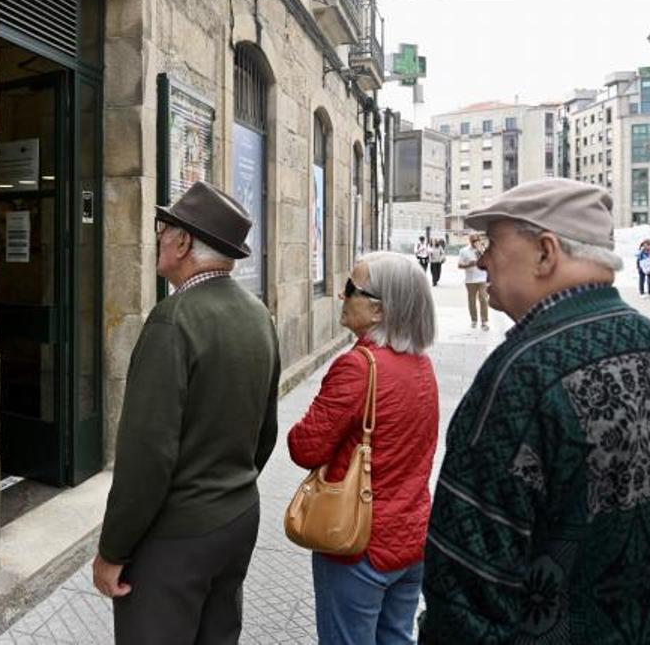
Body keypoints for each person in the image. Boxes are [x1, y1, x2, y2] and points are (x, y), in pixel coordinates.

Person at [421, 178, 650, 644]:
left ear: (545, 252)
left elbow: (464, 593)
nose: (481, 259)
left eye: (492, 243)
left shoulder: (523, 377)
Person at [93, 181, 281, 644]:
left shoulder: (173, 320)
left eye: (163, 228)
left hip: (176, 537)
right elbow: (266, 432)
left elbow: (146, 457)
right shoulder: (257, 314)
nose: (157, 237)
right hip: (237, 517)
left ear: (181, 242)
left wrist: (112, 550)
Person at [288, 252, 438, 644]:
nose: (342, 294)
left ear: (378, 309)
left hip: (359, 544)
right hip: (409, 541)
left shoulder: (359, 366)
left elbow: (304, 447)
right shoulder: (421, 365)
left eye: (351, 289)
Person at [458, 234, 490, 329]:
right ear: (469, 241)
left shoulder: (483, 250)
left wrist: (481, 251)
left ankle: (484, 322)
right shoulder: (464, 251)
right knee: (472, 301)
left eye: (476, 240)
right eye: (473, 240)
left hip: (482, 279)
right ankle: (474, 320)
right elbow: (459, 265)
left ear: (479, 240)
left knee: (483, 299)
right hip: (470, 280)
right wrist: (468, 265)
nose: (475, 242)